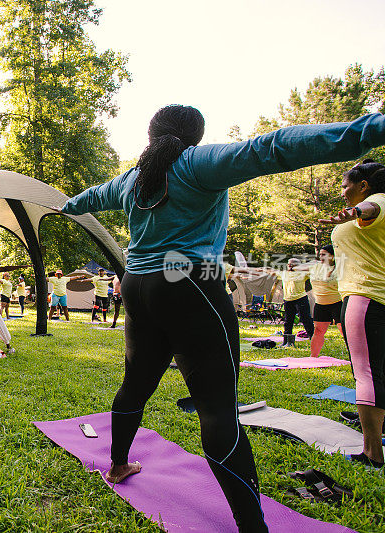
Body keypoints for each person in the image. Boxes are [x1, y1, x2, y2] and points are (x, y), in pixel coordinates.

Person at [60, 105, 385, 532]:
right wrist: (369, 129)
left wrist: (67, 205)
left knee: (135, 383)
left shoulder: (132, 180)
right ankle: (253, 527)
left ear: (152, 134)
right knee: (217, 410)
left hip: (138, 284)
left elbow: (90, 198)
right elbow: (271, 147)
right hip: (188, 282)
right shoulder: (197, 163)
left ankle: (118, 465)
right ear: (195, 135)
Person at [320, 158, 385, 468]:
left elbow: (370, 211)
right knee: (379, 368)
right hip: (377, 295)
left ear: (364, 186)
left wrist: (355, 211)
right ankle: (377, 424)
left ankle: (373, 452)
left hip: (365, 297)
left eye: (346, 186)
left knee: (366, 372)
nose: (343, 192)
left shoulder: (376, 203)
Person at [290, 245, 344, 357]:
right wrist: (293, 266)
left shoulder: (340, 268)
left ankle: (357, 358)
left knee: (345, 332)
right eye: (320, 254)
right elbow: (298, 267)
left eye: (324, 254)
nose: (321, 257)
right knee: (318, 331)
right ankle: (313, 357)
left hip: (338, 304)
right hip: (321, 304)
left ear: (333, 256)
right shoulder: (315, 266)